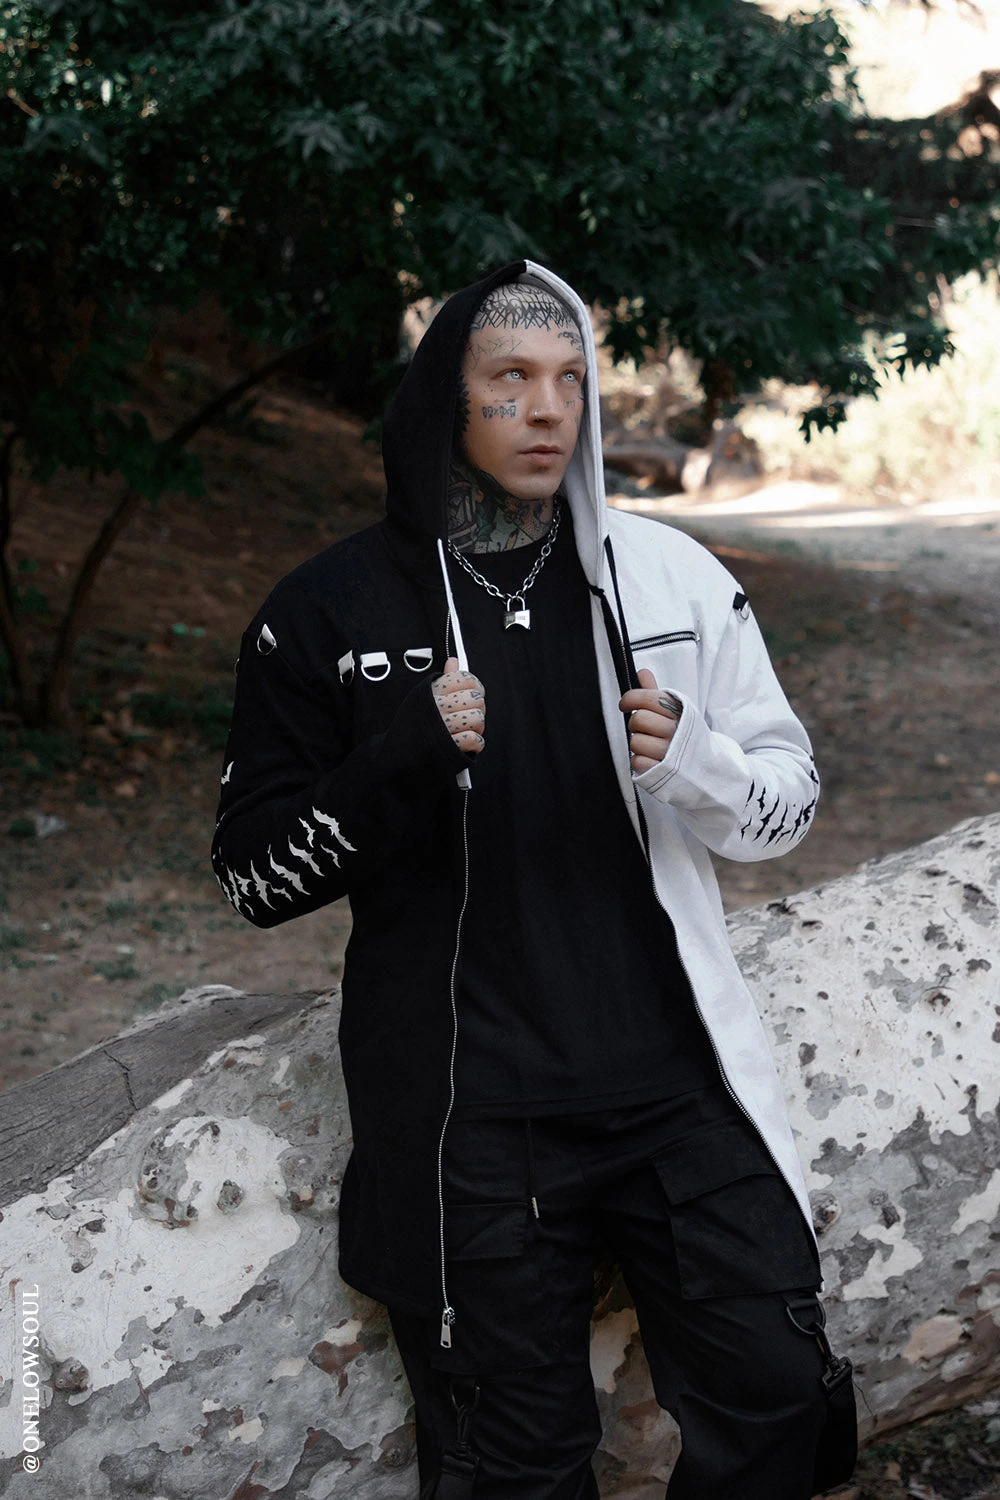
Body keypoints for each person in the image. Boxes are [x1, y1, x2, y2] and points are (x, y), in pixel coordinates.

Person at [212, 262, 856, 1499]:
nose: (550, 409)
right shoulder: (328, 610)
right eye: (510, 378)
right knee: (515, 1465)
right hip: (471, 1119)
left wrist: (699, 762)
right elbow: (253, 875)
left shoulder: (668, 579)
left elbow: (787, 804)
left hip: (681, 1093)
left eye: (570, 380)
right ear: (442, 400)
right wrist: (395, 755)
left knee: (780, 1396)